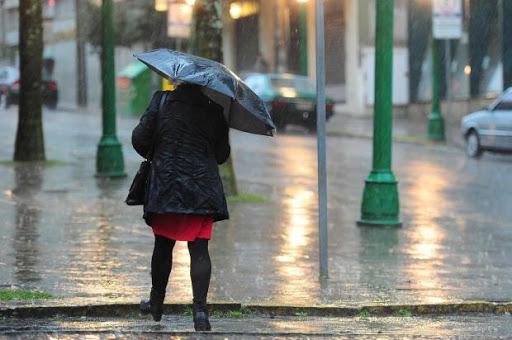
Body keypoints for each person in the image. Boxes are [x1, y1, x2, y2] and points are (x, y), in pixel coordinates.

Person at [131, 82, 230, 331]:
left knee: (163, 246)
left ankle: (156, 303)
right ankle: (200, 312)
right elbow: (221, 155)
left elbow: (140, 140)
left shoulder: (161, 101)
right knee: (199, 250)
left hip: (166, 186)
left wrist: (160, 147)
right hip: (201, 189)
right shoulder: (215, 110)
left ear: (177, 80)